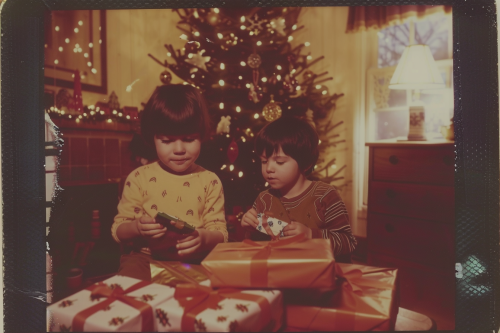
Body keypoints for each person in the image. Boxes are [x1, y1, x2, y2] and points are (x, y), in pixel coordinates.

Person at [111, 84, 228, 280]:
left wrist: (204, 238)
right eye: (167, 140)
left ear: (202, 136)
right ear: (153, 138)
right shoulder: (139, 178)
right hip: (144, 260)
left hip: (195, 261)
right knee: (126, 293)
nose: (179, 149)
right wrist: (137, 227)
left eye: (189, 139)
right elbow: (119, 230)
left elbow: (220, 233)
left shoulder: (210, 181)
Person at [241, 116, 357, 262]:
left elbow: (348, 242)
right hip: (279, 274)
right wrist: (251, 228)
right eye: (264, 161)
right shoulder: (264, 199)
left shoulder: (325, 196)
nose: (269, 168)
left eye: (280, 162)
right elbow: (256, 248)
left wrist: (310, 235)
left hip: (318, 275)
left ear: (305, 163)